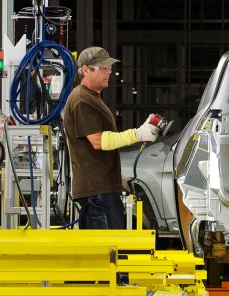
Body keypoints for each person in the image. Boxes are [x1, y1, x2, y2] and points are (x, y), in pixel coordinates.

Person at [63, 46, 161, 229]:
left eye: (109, 67)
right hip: (97, 191)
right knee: (105, 245)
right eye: (103, 68)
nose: (108, 72)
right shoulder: (82, 100)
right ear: (86, 70)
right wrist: (138, 134)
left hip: (102, 188)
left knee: (106, 243)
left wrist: (115, 177)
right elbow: (98, 141)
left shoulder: (93, 98)